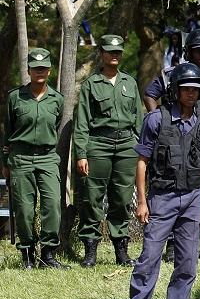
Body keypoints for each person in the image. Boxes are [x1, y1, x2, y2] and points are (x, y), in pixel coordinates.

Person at [119, 62, 200, 299]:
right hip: (162, 196)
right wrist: (142, 201)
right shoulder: (156, 120)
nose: (191, 93)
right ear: (175, 90)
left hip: (193, 198)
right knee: (149, 257)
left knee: (187, 261)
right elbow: (142, 162)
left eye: (195, 89)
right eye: (185, 88)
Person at [143, 27, 200, 263]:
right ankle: (171, 245)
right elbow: (150, 94)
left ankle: (189, 244)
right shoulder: (172, 74)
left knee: (196, 181)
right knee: (172, 183)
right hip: (172, 137)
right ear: (189, 51)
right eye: (198, 50)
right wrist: (160, 121)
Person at [74, 34, 144, 267]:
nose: (114, 55)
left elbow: (138, 119)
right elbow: (82, 122)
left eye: (118, 52)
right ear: (102, 54)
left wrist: (142, 149)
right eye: (110, 52)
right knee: (92, 198)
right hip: (98, 144)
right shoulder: (91, 84)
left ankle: (121, 251)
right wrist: (81, 153)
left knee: (122, 198)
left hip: (126, 146)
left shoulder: (130, 82)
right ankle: (90, 251)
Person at [3, 48, 68, 269]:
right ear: (29, 70)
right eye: (35, 68)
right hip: (20, 158)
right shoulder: (15, 98)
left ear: (49, 71)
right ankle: (28, 256)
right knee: (24, 209)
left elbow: (56, 125)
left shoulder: (57, 99)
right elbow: (7, 133)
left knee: (52, 204)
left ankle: (48, 255)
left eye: (43, 68)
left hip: (47, 157)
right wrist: (5, 163)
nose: (39, 72)